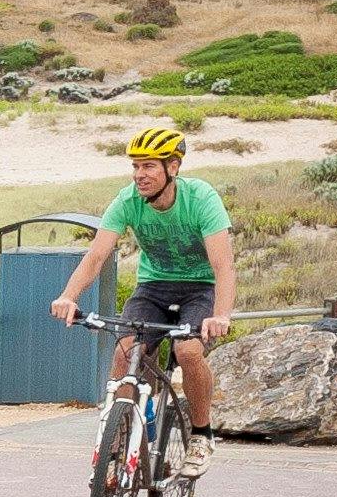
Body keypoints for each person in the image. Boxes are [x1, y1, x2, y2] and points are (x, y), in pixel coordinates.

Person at [51, 122, 237, 478]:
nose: (140, 174)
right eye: (135, 166)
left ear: (173, 167)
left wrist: (221, 315)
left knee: (188, 351)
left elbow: (223, 265)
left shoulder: (201, 198)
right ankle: (120, 446)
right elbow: (96, 256)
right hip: (154, 286)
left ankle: (201, 434)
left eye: (149, 165)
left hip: (200, 288)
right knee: (125, 354)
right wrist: (68, 296)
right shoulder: (128, 201)